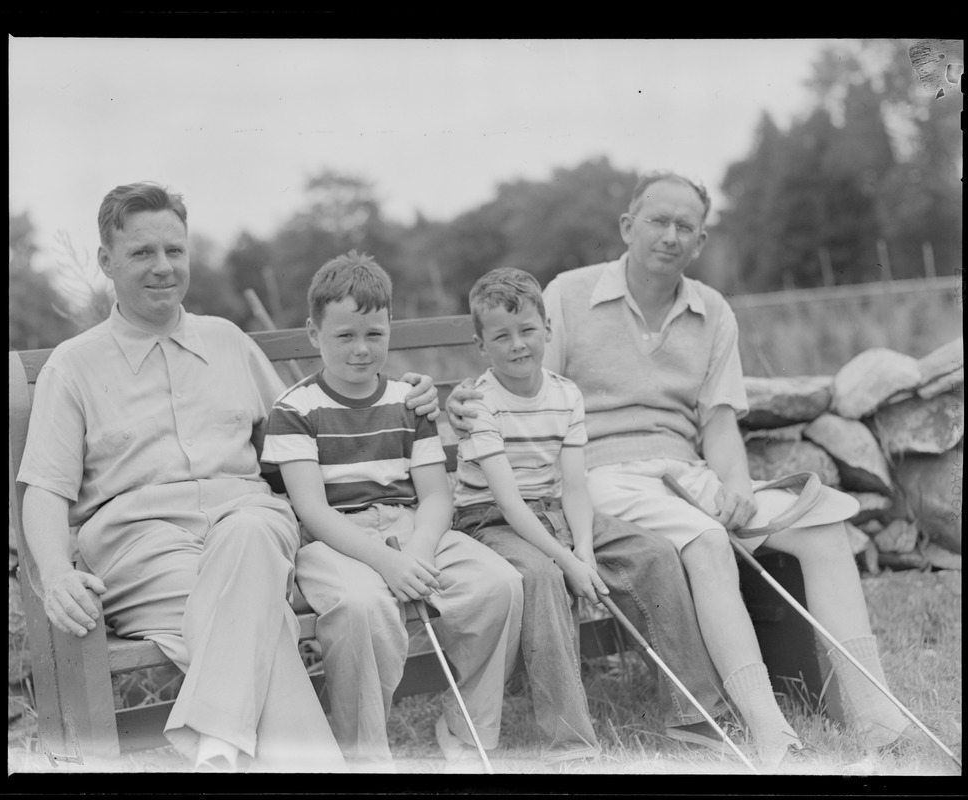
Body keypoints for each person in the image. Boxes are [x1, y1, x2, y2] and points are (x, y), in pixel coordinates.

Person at [451, 170, 912, 770]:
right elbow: (526, 383)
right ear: (627, 227)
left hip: (687, 471)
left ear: (699, 242)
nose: (670, 235)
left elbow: (719, 424)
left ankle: (877, 720)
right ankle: (770, 732)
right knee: (707, 539)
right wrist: (466, 398)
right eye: (657, 221)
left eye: (685, 227)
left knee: (821, 528)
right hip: (600, 473)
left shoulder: (712, 311)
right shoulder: (568, 295)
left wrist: (739, 486)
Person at [16, 182, 440, 773]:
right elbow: (43, 488)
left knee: (247, 536)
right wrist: (58, 572)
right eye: (142, 253)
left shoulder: (228, 342)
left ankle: (219, 745)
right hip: (145, 548)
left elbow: (311, 420)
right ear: (106, 262)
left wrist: (412, 397)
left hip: (254, 528)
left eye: (175, 250)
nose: (163, 267)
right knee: (251, 616)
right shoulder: (74, 364)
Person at [451, 267, 732, 765]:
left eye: (528, 331)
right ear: (481, 344)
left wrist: (583, 548)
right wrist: (567, 561)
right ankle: (572, 743)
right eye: (501, 336)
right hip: (490, 517)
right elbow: (509, 501)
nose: (518, 345)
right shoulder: (480, 405)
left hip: (557, 509)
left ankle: (696, 716)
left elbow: (576, 486)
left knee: (654, 552)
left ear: (548, 331)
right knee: (542, 575)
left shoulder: (565, 394)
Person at [261, 251, 524, 773]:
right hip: (336, 540)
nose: (362, 350)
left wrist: (420, 551)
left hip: (412, 528)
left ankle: (467, 730)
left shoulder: (409, 402)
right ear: (315, 334)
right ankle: (366, 753)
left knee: (500, 585)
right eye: (345, 337)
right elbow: (312, 510)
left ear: (389, 330)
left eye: (374, 335)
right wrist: (388, 564)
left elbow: (434, 496)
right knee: (361, 607)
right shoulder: (295, 411)